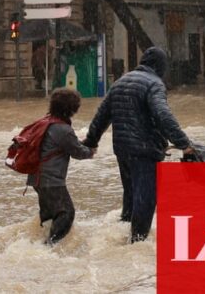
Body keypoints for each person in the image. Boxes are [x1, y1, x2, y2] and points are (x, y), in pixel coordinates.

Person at [83, 47, 195, 243]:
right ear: (160, 67)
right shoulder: (154, 84)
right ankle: (137, 244)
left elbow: (101, 116)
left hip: (122, 150)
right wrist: (183, 143)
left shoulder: (119, 82)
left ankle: (120, 238)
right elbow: (163, 114)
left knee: (131, 195)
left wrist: (91, 142)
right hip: (144, 151)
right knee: (146, 198)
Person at [30, 88, 95, 245]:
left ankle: (39, 245)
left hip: (36, 178)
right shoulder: (63, 129)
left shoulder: (46, 122)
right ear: (71, 109)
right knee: (67, 213)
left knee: (49, 216)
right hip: (51, 180)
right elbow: (78, 152)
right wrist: (91, 151)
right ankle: (49, 247)